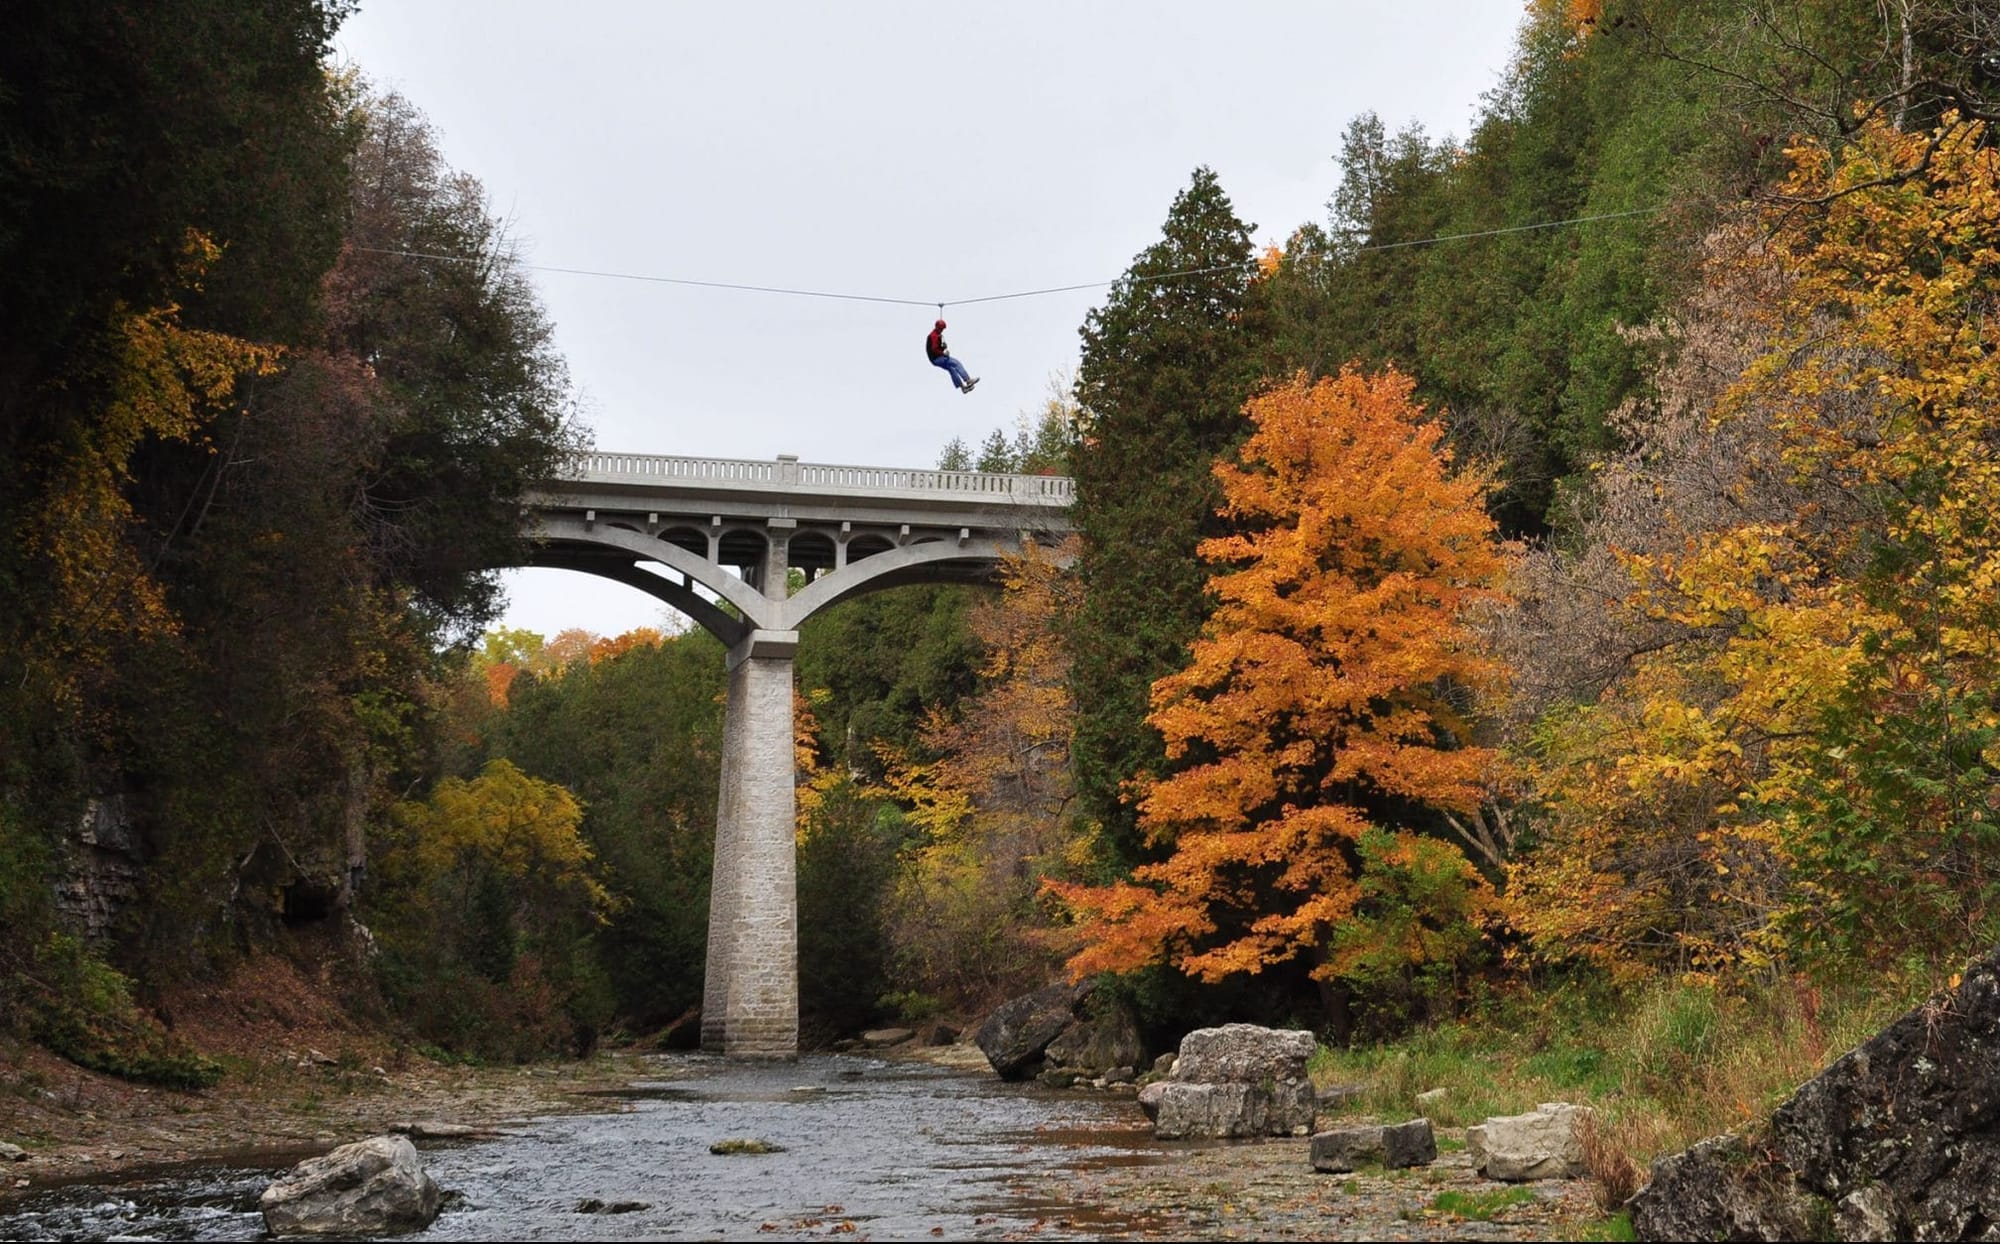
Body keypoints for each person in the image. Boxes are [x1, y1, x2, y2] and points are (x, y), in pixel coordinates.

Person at [925, 319, 978, 393]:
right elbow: (934, 349)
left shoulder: (937, 335)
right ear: (937, 327)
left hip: (934, 359)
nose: (942, 330)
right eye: (941, 329)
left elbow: (937, 347)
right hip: (937, 358)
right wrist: (943, 354)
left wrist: (943, 346)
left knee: (951, 369)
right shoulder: (934, 336)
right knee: (956, 363)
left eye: (942, 329)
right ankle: (968, 380)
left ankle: (963, 388)